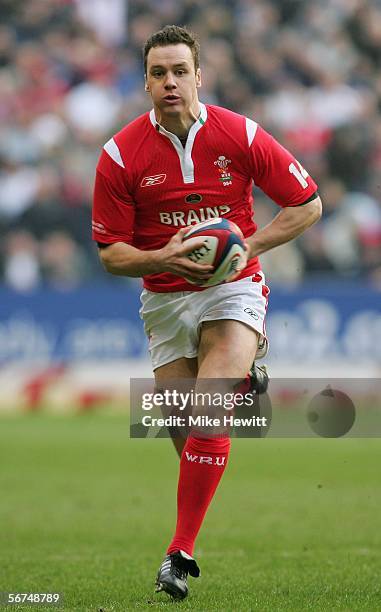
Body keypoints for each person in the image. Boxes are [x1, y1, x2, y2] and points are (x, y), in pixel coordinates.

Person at [92, 25, 322, 600]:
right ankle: (244, 382)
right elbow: (110, 253)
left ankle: (178, 552)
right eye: (157, 73)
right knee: (187, 428)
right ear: (144, 81)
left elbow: (307, 204)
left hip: (233, 287)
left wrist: (250, 245)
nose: (169, 82)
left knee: (208, 408)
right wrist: (159, 254)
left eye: (179, 71)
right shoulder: (120, 155)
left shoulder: (240, 133)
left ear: (200, 75)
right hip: (165, 299)